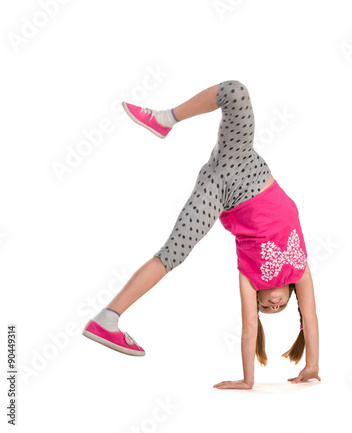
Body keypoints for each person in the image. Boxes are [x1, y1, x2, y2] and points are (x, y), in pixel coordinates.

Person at [82, 80, 320, 389]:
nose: (273, 305)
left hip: (220, 193)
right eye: (280, 306)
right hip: (243, 159)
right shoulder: (299, 269)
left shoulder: (250, 277)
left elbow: (250, 327)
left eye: (266, 307)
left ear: (258, 299)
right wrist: (312, 363)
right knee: (234, 91)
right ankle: (164, 119)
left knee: (172, 253)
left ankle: (106, 319)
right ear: (291, 295)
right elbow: (311, 317)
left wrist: (248, 381)